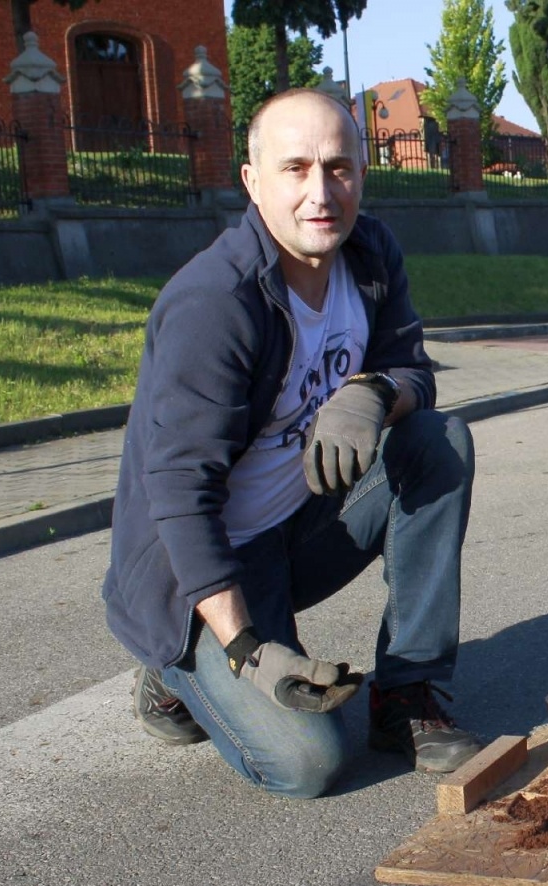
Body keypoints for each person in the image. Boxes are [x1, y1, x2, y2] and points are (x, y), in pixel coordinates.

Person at [103, 89, 481, 798]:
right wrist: (246, 648)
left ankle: (406, 696)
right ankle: (170, 672)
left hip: (297, 530)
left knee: (438, 443)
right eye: (296, 168)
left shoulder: (368, 255)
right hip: (198, 571)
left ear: (362, 173)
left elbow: (417, 377)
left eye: (339, 167)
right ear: (252, 182)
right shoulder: (215, 304)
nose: (321, 191)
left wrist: (373, 392)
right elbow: (179, 496)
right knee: (310, 764)